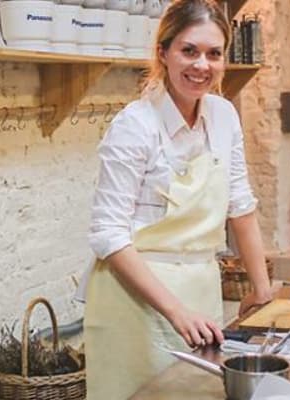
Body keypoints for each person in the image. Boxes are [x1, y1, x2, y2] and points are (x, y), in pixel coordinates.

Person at [82, 0, 275, 397]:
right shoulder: (135, 126)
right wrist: (175, 310)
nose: (201, 65)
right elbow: (108, 234)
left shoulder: (223, 116)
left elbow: (241, 205)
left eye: (213, 54)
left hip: (200, 287)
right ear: (163, 53)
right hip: (135, 300)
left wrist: (262, 291)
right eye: (189, 50)